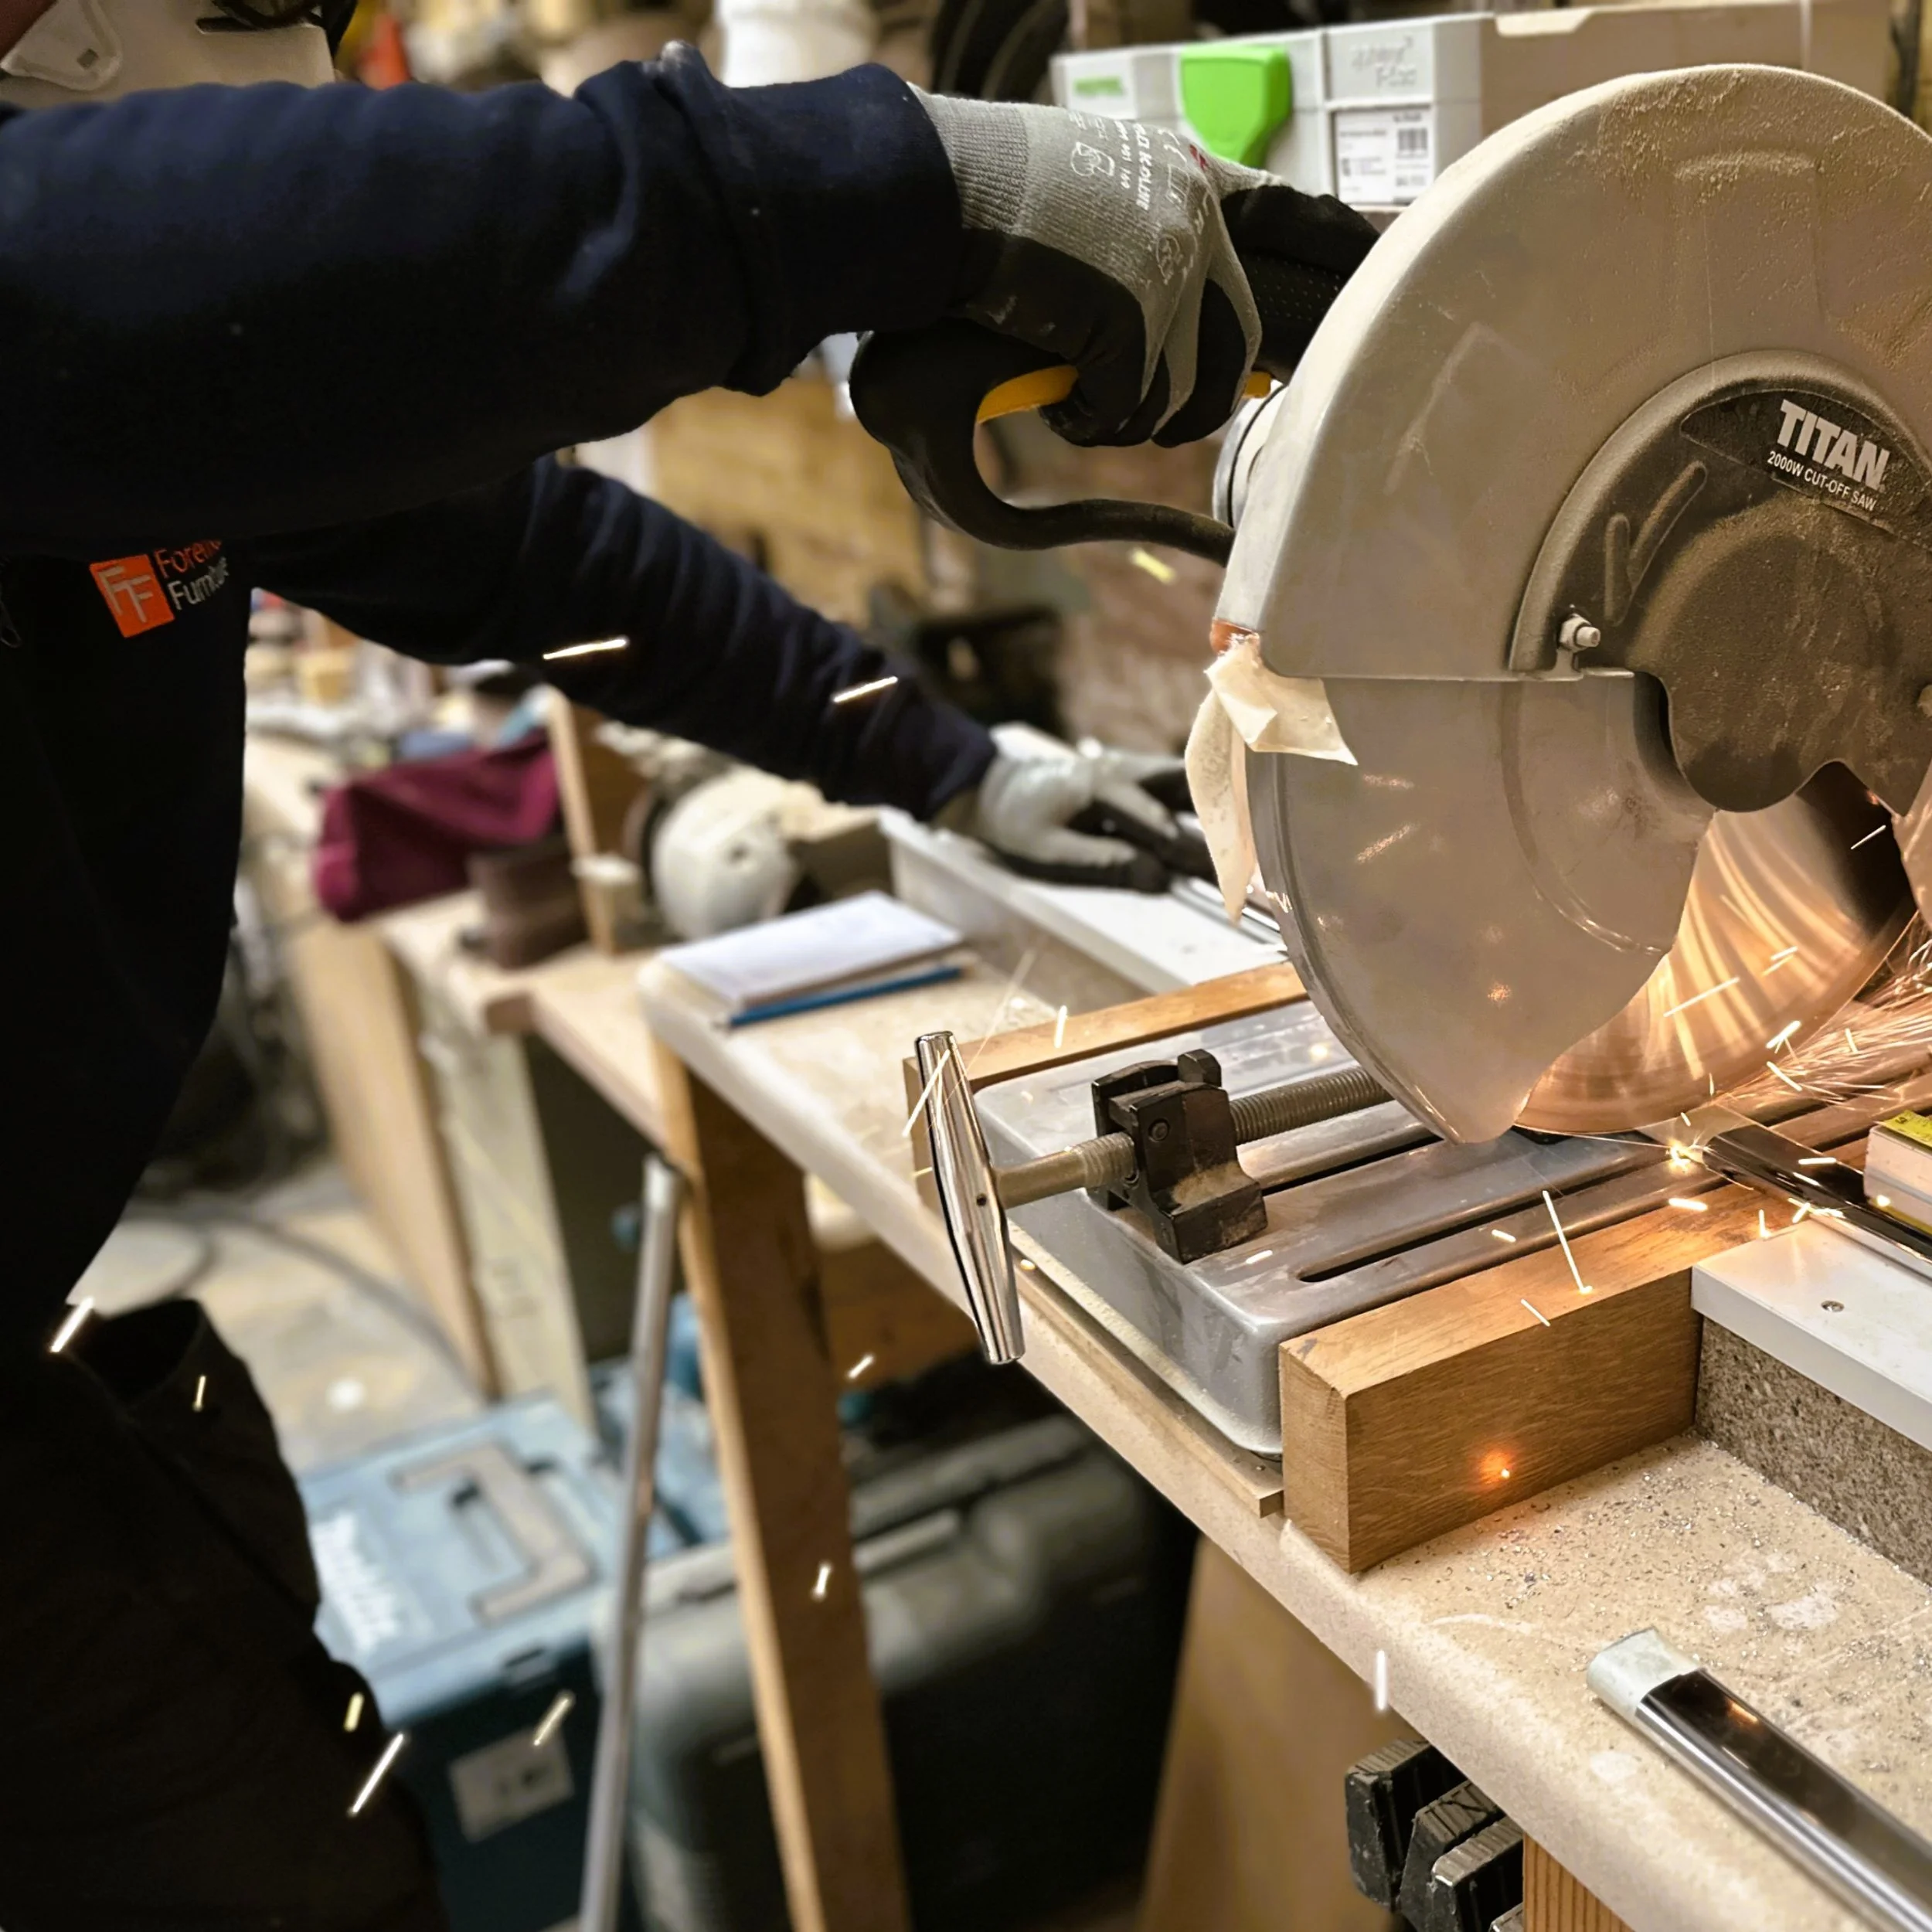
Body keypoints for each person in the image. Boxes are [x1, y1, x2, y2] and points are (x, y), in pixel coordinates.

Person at [0, 2, 1376, 1925]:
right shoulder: (62, 280)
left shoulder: (138, 383)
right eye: (250, 14)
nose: (300, 61)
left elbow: (558, 565)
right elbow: (211, 248)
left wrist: (949, 764)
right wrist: (907, 184)